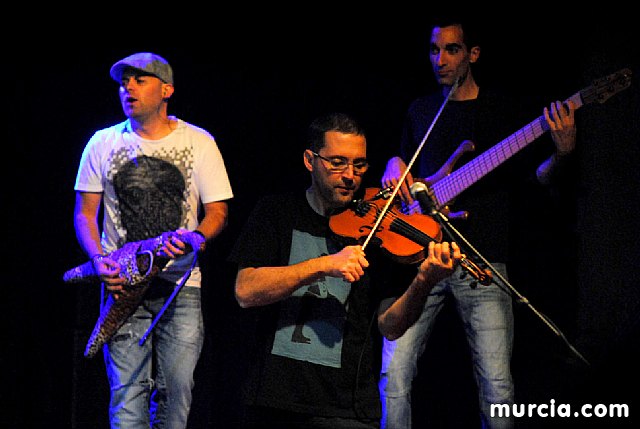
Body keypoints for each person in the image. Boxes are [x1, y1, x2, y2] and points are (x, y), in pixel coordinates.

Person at [378, 18, 577, 429]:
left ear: (473, 54)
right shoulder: (420, 111)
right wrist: (393, 163)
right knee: (392, 374)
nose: (441, 60)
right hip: (423, 258)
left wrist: (561, 153)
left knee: (497, 385)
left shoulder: (501, 111)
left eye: (452, 49)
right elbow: (406, 174)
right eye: (434, 50)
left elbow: (537, 180)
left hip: (482, 263)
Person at [228, 112, 464, 429]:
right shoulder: (277, 212)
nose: (350, 176)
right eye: (337, 163)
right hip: (274, 400)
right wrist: (325, 264)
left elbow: (391, 326)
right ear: (310, 160)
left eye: (359, 165)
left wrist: (424, 281)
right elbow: (246, 290)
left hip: (347, 409)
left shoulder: (380, 230)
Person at [72, 52, 233, 428]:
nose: (128, 87)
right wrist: (98, 259)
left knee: (177, 393)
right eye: (123, 82)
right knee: (127, 395)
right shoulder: (102, 142)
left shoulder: (199, 142)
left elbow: (218, 212)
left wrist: (194, 238)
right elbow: (85, 214)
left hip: (180, 286)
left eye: (139, 80)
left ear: (166, 90)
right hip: (122, 284)